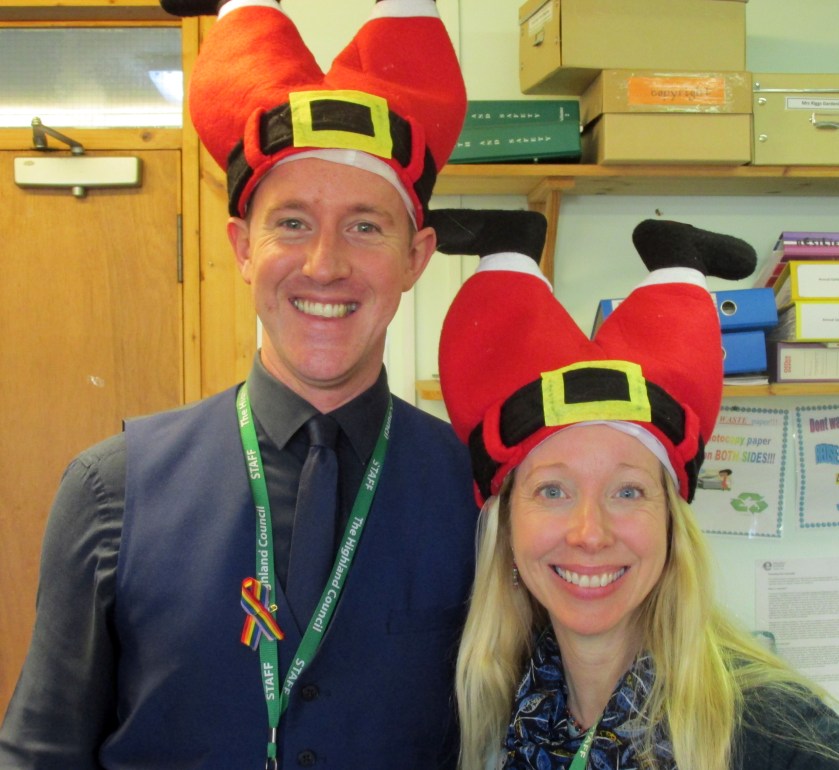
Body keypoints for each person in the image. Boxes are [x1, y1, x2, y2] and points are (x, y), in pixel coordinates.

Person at [0, 1, 479, 768]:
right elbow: (39, 752)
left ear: (415, 258)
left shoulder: (478, 493)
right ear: (242, 247)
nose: (324, 264)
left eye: (364, 226)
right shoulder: (110, 490)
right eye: (291, 223)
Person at [434, 214, 839, 770]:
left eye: (627, 492)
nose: (590, 533)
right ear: (506, 528)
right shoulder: (498, 709)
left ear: (672, 525)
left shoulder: (780, 736)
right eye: (552, 491)